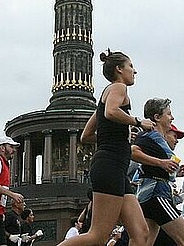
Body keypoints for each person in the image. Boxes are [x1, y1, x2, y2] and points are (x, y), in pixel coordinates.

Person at [57, 50, 155, 246]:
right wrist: (137, 122)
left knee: (141, 233)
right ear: (119, 69)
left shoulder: (105, 95)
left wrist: (121, 136)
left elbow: (86, 135)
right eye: (131, 66)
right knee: (98, 236)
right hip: (110, 166)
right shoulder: (119, 87)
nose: (134, 71)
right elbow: (111, 112)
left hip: (114, 168)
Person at [131, 98, 184, 246]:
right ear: (157, 117)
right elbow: (133, 152)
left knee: (145, 242)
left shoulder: (156, 138)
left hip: (149, 194)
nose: (172, 118)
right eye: (169, 114)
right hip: (157, 194)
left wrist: (173, 172)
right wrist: (161, 162)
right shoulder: (149, 135)